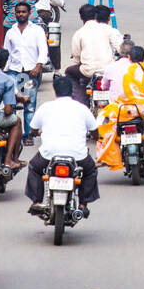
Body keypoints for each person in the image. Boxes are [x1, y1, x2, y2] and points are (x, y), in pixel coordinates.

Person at [24, 75, 100, 213]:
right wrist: (96, 137)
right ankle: (83, 204)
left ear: (55, 91)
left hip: (49, 155)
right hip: (77, 156)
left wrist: (36, 133)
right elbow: (94, 131)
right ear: (71, 91)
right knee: (91, 170)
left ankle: (36, 201)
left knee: (34, 168)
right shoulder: (82, 108)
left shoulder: (45, 107)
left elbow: (33, 129)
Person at [4, 2, 48, 132]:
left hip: (30, 73)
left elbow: (43, 50)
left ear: (29, 13)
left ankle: (28, 134)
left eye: (23, 12)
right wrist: (3, 70)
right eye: (18, 12)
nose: (21, 14)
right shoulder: (11, 32)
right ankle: (12, 132)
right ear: (15, 13)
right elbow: (7, 52)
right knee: (10, 104)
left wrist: (37, 67)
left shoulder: (37, 31)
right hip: (14, 71)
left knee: (29, 105)